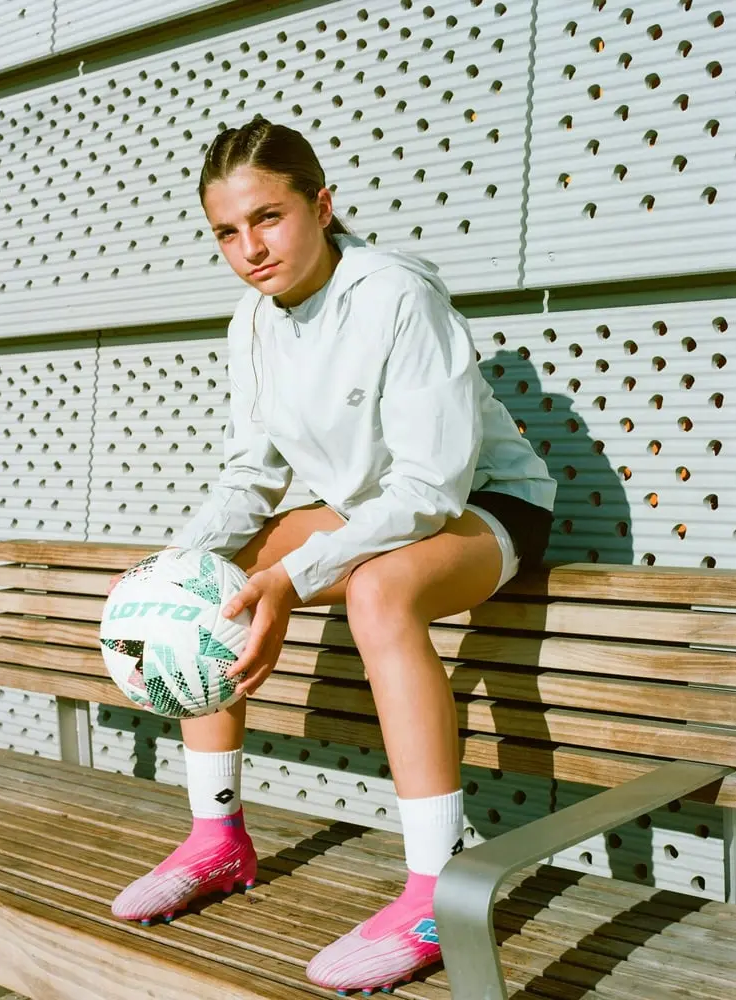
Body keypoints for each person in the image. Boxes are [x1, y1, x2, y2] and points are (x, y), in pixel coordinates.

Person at [108, 117, 556, 994]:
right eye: (227, 232)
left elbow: (429, 488)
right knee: (213, 585)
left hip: (481, 507)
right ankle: (218, 838)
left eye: (268, 218)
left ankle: (437, 889)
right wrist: (166, 570)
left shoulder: (395, 292)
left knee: (379, 592)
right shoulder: (252, 321)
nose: (250, 248)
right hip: (364, 512)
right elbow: (250, 474)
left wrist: (301, 572)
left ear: (322, 204)